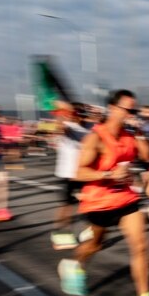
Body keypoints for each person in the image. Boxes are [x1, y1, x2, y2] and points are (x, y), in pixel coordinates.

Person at [57, 89, 149, 296]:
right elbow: (78, 172)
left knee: (140, 246)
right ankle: (74, 264)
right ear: (113, 109)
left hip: (126, 199)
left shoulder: (130, 135)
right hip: (98, 201)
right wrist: (108, 173)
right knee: (95, 245)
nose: (132, 114)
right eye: (129, 109)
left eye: (134, 110)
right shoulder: (95, 138)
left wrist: (141, 136)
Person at [51, 102, 89, 250]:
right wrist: (64, 113)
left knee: (89, 204)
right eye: (78, 112)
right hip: (66, 174)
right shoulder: (66, 126)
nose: (80, 115)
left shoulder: (87, 130)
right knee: (66, 207)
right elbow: (59, 128)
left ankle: (90, 233)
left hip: (83, 174)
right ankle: (61, 234)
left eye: (81, 112)